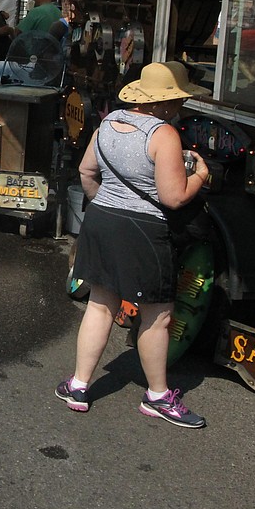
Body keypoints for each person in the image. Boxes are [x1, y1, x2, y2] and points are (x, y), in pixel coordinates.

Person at [57, 62, 211, 428]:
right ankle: (157, 396)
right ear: (166, 103)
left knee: (99, 305)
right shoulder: (164, 135)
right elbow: (174, 197)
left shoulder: (107, 122)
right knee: (157, 316)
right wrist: (201, 175)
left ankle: (77, 385)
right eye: (179, 100)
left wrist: (105, 203)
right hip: (143, 230)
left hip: (100, 221)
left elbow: (86, 172)